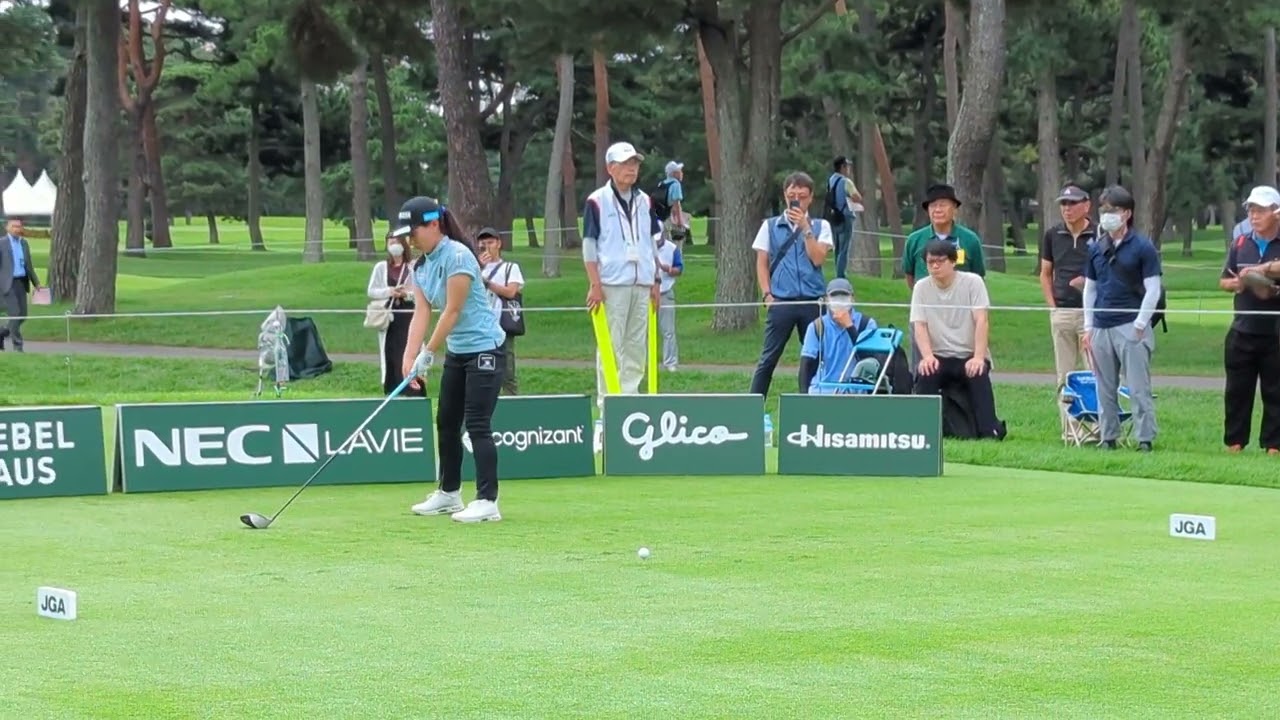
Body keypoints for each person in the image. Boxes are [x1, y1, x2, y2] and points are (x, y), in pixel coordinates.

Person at [394, 196, 507, 523]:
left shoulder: (458, 256)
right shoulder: (420, 264)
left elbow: (453, 311)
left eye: (413, 231)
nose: (409, 240)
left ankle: (488, 500)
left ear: (434, 224)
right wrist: (409, 355)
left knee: (476, 424)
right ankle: (449, 493)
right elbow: (422, 310)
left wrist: (428, 352)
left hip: (485, 348)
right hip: (459, 352)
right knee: (445, 421)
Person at [582, 141, 663, 411]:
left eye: (635, 164)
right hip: (612, 284)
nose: (632, 169)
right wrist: (595, 283)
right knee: (610, 348)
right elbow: (590, 245)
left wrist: (656, 281)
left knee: (636, 348)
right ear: (610, 167)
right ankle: (608, 408)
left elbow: (652, 242)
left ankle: (631, 405)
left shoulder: (645, 200)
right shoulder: (597, 200)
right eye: (626, 163)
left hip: (642, 283)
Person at [1083, 185, 1161, 452]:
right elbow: (1090, 288)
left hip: (1131, 324)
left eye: (1113, 210)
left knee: (1138, 387)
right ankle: (1108, 437)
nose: (1107, 215)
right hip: (1102, 326)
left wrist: (1141, 323)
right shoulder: (1096, 247)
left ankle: (1144, 438)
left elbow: (1153, 288)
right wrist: (1088, 326)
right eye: (1103, 210)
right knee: (1105, 387)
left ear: (1126, 213)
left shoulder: (1142, 246)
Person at [749, 171, 833, 398]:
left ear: (811, 197)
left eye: (802, 196)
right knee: (768, 358)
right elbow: (762, 262)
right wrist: (767, 295)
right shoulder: (770, 226)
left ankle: (812, 402)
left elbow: (817, 258)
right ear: (785, 196)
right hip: (782, 301)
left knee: (817, 356)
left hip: (812, 301)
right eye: (792, 195)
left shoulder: (821, 226)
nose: (797, 200)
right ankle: (753, 405)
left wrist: (806, 228)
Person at [910, 240, 1005, 440]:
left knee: (978, 374)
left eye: (940, 261)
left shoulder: (973, 282)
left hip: (969, 355)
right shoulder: (921, 287)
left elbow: (982, 321)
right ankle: (921, 431)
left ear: (953, 262)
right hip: (938, 356)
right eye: (930, 262)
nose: (934, 266)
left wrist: (978, 357)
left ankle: (989, 431)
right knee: (926, 372)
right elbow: (920, 326)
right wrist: (926, 356)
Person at [901, 184, 986, 376]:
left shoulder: (969, 240)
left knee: (965, 372)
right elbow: (909, 275)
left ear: (954, 208)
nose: (937, 210)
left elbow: (978, 275)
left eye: (943, 205)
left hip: (961, 319)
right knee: (923, 369)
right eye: (933, 206)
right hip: (926, 315)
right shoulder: (915, 240)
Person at [1219, 186, 1280, 454]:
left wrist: (1262, 270)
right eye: (1251, 210)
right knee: (1236, 392)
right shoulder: (1240, 243)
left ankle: (1274, 446)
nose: (1254, 215)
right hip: (1243, 328)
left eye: (1261, 210)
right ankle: (1235, 443)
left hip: (1276, 330)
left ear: (1276, 213)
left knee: (1276, 392)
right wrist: (1237, 283)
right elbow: (1223, 280)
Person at [1039, 184, 1095, 439]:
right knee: (1065, 375)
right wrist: (1052, 307)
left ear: (1086, 205)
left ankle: (1095, 429)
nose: (1067, 209)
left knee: (1095, 374)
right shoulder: (1053, 235)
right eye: (1063, 204)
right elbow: (1045, 273)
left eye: (1072, 203)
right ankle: (1070, 431)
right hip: (1061, 312)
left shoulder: (1098, 234)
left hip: (1091, 314)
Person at [798, 278, 906, 394]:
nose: (839, 301)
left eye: (844, 296)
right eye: (834, 296)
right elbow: (806, 365)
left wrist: (849, 327)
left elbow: (869, 361)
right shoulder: (817, 327)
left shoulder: (867, 324)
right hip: (823, 390)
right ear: (826, 300)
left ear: (852, 299)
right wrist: (803, 396)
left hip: (857, 391)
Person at [367, 230, 423, 397]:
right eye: (390, 242)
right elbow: (372, 291)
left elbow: (422, 291)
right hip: (390, 317)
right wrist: (390, 291)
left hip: (408, 316)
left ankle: (414, 388)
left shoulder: (413, 266)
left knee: (410, 351)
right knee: (391, 353)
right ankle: (393, 390)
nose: (393, 246)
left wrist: (406, 294)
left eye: (396, 242)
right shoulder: (381, 267)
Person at [477, 227, 524, 396]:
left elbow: (511, 291)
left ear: (498, 244)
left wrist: (487, 282)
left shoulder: (511, 268)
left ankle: (512, 407)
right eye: (483, 243)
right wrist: (480, 270)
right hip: (481, 326)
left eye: (490, 242)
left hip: (502, 325)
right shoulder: (476, 269)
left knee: (507, 370)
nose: (487, 246)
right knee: (483, 369)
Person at [1, 218, 40, 352]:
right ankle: (18, 347)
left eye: (19, 227)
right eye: (14, 226)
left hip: (21, 282)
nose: (17, 229)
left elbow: (28, 265)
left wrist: (36, 283)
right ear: (7, 228)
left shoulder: (24, 243)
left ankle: (1, 333)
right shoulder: (2, 244)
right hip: (7, 284)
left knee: (22, 315)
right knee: (15, 313)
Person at [825, 156, 863, 280]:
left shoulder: (831, 180)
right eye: (847, 166)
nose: (849, 169)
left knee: (837, 247)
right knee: (844, 248)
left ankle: (838, 270)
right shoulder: (846, 182)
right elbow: (856, 197)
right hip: (845, 216)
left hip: (834, 216)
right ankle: (841, 274)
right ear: (843, 167)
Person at [655, 230, 683, 372]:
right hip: (647, 293)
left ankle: (670, 362)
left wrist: (669, 270)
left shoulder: (672, 249)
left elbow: (680, 269)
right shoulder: (645, 246)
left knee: (668, 331)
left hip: (665, 292)